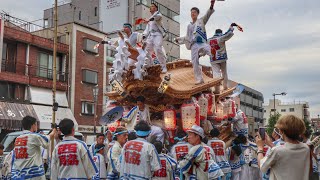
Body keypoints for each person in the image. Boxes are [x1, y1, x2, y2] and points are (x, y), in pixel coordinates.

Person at [256, 115, 310, 180]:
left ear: (281, 132)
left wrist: (260, 148)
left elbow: (262, 166)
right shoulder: (306, 148)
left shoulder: (277, 151)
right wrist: (271, 144)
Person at [175, 0, 216, 85]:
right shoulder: (189, 26)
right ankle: (199, 79)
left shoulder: (201, 21)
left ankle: (214, 59)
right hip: (193, 45)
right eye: (191, 12)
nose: (192, 14)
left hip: (202, 42)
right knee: (194, 62)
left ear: (197, 14)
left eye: (194, 12)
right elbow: (187, 37)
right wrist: (179, 40)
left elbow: (208, 14)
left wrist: (212, 4)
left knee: (209, 50)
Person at [208, 23, 238, 92]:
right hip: (222, 58)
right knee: (224, 72)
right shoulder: (221, 37)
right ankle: (225, 87)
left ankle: (217, 89)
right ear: (221, 33)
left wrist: (200, 54)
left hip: (213, 58)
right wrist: (231, 27)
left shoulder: (208, 40)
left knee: (216, 73)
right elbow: (228, 34)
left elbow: (204, 47)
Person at [143, 3, 168, 73]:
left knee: (158, 49)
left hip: (158, 35)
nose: (151, 8)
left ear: (156, 8)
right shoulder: (149, 21)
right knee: (146, 51)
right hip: (151, 36)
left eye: (152, 6)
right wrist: (143, 35)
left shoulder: (159, 15)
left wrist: (148, 20)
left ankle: (163, 67)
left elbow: (156, 17)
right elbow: (147, 30)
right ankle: (150, 65)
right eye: (150, 7)